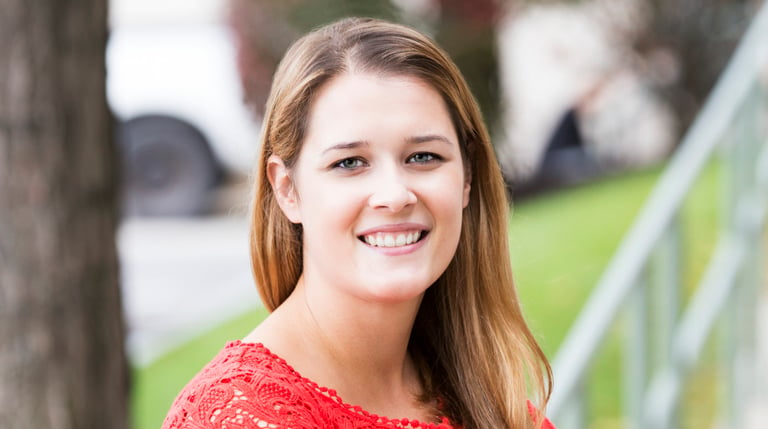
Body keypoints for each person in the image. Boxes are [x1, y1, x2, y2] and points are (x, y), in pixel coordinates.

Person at [162, 17, 555, 429]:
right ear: (287, 190)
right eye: (349, 162)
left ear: (467, 178)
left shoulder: (489, 400)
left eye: (423, 156)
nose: (395, 195)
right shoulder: (236, 416)